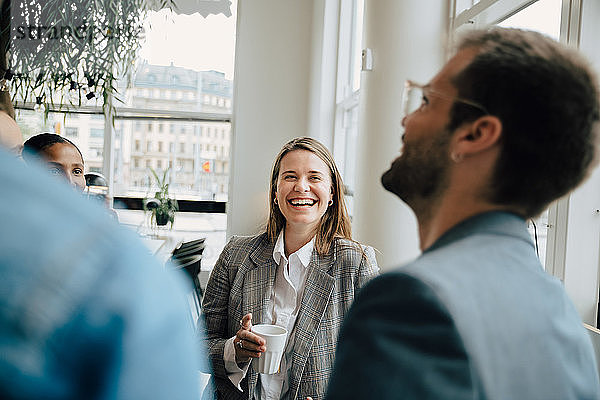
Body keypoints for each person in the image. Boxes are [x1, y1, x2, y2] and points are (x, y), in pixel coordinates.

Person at [326, 28, 600, 399]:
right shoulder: (564, 318)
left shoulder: (410, 304)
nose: (405, 122)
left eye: (425, 102)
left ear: (474, 135)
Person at [0, 145, 207, 399]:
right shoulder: (114, 271)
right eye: (54, 172)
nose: (70, 182)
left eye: (78, 171)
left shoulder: (103, 251)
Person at [202, 137, 379, 400]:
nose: (301, 187)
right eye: (290, 177)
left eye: (314, 177)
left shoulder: (355, 262)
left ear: (331, 194)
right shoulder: (235, 255)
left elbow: (375, 361)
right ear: (275, 192)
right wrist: (234, 350)